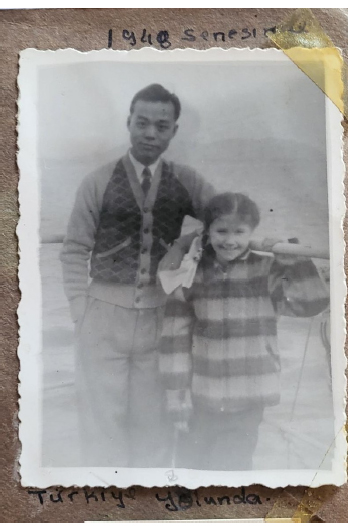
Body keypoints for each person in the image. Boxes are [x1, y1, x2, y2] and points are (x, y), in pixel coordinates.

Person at [60, 83, 214, 467]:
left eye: (161, 126)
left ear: (174, 131)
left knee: (155, 424)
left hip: (160, 321)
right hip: (102, 318)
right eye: (142, 123)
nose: (150, 133)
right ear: (128, 123)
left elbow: (226, 220)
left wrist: (185, 246)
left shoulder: (185, 179)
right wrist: (82, 312)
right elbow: (75, 249)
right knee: (101, 426)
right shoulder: (97, 181)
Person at [159, 192, 329, 471]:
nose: (230, 240)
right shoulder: (193, 274)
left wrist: (290, 258)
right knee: (191, 471)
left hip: (249, 396)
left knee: (232, 473)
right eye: (221, 231)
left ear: (252, 232)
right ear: (208, 231)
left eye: (239, 232)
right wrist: (177, 396)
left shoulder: (266, 270)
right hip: (201, 398)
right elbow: (174, 339)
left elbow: (311, 304)